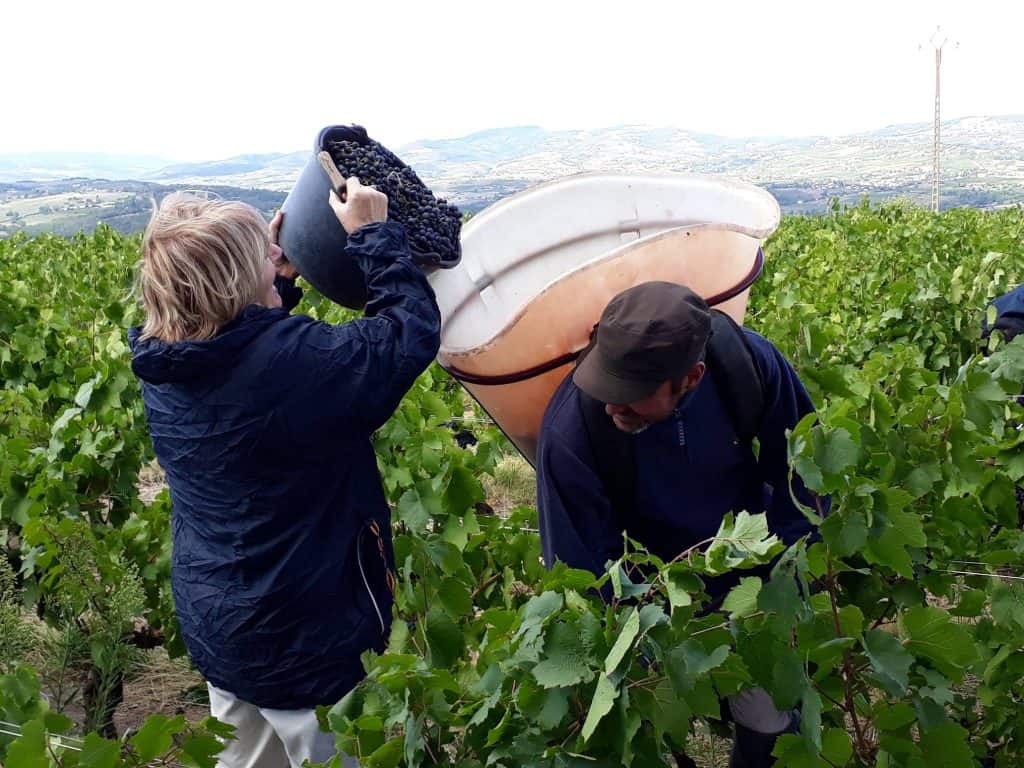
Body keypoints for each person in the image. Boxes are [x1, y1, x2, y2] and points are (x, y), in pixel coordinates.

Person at [128, 179, 440, 768]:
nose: (276, 254)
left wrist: (277, 281)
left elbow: (245, 363)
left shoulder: (162, 362)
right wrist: (374, 236)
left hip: (223, 629)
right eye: (260, 255)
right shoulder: (294, 370)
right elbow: (407, 333)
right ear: (232, 284)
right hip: (312, 648)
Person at [536, 281, 823, 768]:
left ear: (692, 377)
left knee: (770, 716)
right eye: (608, 387)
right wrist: (647, 649)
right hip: (645, 595)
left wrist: (784, 587)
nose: (612, 406)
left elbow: (804, 478)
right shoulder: (572, 433)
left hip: (750, 576)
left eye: (632, 396)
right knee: (642, 722)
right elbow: (580, 571)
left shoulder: (748, 366)